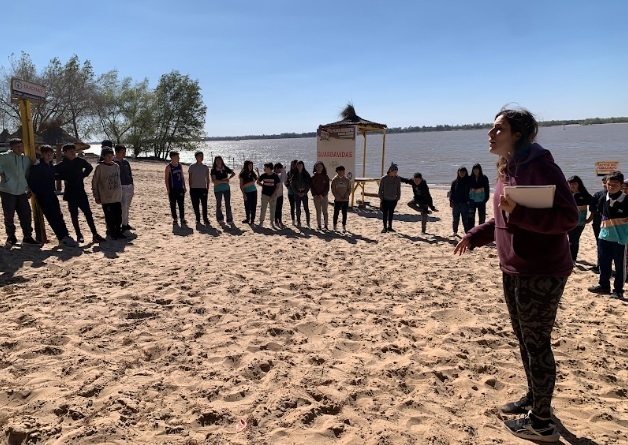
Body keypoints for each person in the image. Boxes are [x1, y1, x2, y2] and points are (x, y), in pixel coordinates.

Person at [454, 107, 578, 443]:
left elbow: (569, 218)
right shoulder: (509, 168)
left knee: (537, 345)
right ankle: (537, 399)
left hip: (541, 269)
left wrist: (519, 213)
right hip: (514, 267)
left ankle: (541, 423)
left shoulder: (540, 165)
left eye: (499, 129)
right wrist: (475, 235)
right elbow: (503, 218)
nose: (490, 134)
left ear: (518, 134)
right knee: (525, 341)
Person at [27, 145, 77, 247]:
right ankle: (62, 237)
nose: (49, 156)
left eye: (51, 154)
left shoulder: (51, 166)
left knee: (59, 215)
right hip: (43, 195)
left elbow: (55, 176)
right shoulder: (37, 167)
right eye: (47, 154)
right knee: (52, 217)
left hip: (51, 193)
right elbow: (31, 181)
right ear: (42, 154)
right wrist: (38, 192)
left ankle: (65, 235)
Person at [588, 171, 627, 300]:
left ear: (621, 185)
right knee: (604, 263)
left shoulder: (626, 200)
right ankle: (604, 286)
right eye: (609, 184)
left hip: (620, 239)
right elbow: (599, 212)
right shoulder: (602, 198)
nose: (611, 186)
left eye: (615, 184)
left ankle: (618, 290)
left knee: (620, 266)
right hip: (604, 237)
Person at [55, 143, 105, 243]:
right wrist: (63, 177)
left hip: (81, 192)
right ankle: (79, 235)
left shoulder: (80, 161)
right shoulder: (62, 164)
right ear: (65, 153)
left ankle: (94, 234)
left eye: (74, 151)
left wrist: (83, 175)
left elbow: (89, 168)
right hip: (70, 193)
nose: (73, 153)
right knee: (74, 215)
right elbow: (54, 173)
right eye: (70, 151)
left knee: (88, 213)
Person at [0, 138, 40, 247]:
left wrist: (28, 189)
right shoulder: (5, 157)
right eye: (17, 146)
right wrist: (2, 173)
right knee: (9, 215)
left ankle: (27, 236)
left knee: (26, 214)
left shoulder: (26, 159)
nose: (20, 148)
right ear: (11, 147)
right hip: (8, 191)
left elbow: (28, 174)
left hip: (22, 191)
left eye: (21, 146)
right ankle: (11, 237)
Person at [92, 147, 125, 240]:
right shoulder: (100, 167)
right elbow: (95, 182)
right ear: (104, 157)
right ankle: (112, 232)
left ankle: (118, 232)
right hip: (106, 197)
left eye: (111, 156)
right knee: (109, 217)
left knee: (118, 216)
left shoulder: (116, 166)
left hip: (117, 196)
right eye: (108, 156)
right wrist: (96, 195)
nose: (110, 158)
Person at [567, 175, 594, 263]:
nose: (572, 186)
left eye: (574, 183)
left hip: (579, 223)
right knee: (563, 241)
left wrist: (589, 219)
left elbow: (594, 207)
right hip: (565, 222)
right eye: (570, 184)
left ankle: (573, 259)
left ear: (579, 184)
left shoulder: (584, 195)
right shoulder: (566, 193)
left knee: (573, 241)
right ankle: (566, 257)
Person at [114, 144, 135, 232]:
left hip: (129, 186)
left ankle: (125, 224)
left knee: (127, 206)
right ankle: (121, 224)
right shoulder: (114, 162)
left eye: (124, 152)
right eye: (122, 152)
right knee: (123, 206)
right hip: (120, 187)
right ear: (117, 152)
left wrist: (132, 184)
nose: (124, 154)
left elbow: (129, 173)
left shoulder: (126, 162)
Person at [589, 177, 607, 273]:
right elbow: (592, 208)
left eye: (606, 182)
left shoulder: (621, 196)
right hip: (598, 224)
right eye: (603, 182)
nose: (605, 184)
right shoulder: (598, 195)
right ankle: (599, 265)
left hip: (613, 225)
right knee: (599, 244)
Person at [211, 156, 235, 225]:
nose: (218, 162)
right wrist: (224, 181)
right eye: (217, 160)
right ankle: (220, 218)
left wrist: (229, 179)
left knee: (228, 204)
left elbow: (233, 173)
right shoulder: (213, 170)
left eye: (219, 160)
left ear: (222, 161)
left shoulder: (225, 168)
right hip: (218, 189)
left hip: (226, 188)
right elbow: (214, 181)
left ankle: (229, 219)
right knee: (219, 204)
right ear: (215, 162)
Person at [188, 151, 210, 226]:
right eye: (200, 156)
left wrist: (207, 188)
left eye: (202, 156)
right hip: (194, 188)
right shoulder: (192, 167)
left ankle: (205, 218)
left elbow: (207, 179)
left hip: (203, 188)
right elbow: (190, 178)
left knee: (204, 205)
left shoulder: (205, 167)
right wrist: (190, 188)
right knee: (195, 204)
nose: (202, 157)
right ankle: (198, 218)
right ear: (196, 157)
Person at [378, 162, 401, 233]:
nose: (396, 173)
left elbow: (398, 189)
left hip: (393, 199)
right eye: (395, 172)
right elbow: (380, 190)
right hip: (385, 199)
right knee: (385, 214)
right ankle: (384, 227)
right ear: (390, 171)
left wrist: (398, 197)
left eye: (396, 172)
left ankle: (390, 227)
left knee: (391, 213)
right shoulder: (384, 179)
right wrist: (381, 198)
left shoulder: (397, 179)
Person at [257, 162, 281, 228]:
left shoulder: (275, 176)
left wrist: (274, 194)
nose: (264, 169)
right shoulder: (264, 175)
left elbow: (278, 185)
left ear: (269, 168)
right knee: (263, 209)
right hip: (265, 194)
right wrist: (263, 186)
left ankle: (271, 222)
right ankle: (261, 222)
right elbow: (258, 182)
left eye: (265, 167)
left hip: (273, 195)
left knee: (272, 209)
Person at [165, 151, 186, 225]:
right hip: (173, 188)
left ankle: (182, 218)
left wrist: (184, 186)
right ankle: (175, 218)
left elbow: (182, 177)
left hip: (180, 188)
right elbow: (166, 179)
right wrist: (168, 189)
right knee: (173, 204)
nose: (178, 158)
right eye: (177, 157)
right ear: (172, 157)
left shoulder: (180, 165)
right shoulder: (169, 167)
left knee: (181, 204)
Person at [449, 166, 472, 236]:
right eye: (460, 172)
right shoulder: (454, 182)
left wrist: (469, 201)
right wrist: (451, 201)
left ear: (466, 173)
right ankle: (455, 232)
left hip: (465, 203)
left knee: (465, 219)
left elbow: (471, 192)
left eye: (463, 172)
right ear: (458, 173)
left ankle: (467, 232)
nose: (462, 173)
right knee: (455, 218)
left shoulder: (468, 181)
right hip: (456, 203)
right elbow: (451, 192)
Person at [468, 163, 490, 229]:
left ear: (480, 169)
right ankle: (471, 231)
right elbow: (467, 189)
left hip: (481, 200)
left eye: (477, 169)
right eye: (474, 169)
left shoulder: (484, 178)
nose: (475, 170)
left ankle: (481, 231)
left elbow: (487, 189)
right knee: (471, 217)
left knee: (482, 217)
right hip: (472, 200)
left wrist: (485, 199)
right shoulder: (470, 178)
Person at [290, 160, 311, 227]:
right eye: (298, 165)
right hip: (297, 193)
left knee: (306, 208)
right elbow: (292, 184)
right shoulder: (294, 174)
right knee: (298, 208)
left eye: (301, 165)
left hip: (304, 193)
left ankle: (308, 223)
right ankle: (299, 222)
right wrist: (297, 192)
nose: (299, 167)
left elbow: (309, 184)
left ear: (303, 166)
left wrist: (305, 192)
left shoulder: (306, 174)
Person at [311, 161, 330, 230]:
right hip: (316, 197)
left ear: (322, 168)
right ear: (315, 168)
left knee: (325, 211)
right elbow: (312, 187)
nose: (319, 168)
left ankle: (326, 225)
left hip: (324, 197)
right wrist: (315, 195)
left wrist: (322, 195)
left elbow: (327, 188)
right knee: (318, 211)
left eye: (320, 167)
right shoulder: (313, 177)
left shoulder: (325, 177)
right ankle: (319, 225)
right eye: (317, 167)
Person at [331, 166, 351, 232]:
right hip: (338, 199)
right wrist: (338, 197)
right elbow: (333, 190)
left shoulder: (347, 180)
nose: (343, 172)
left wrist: (346, 196)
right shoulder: (334, 180)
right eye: (341, 171)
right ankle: (334, 225)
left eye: (343, 171)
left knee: (344, 213)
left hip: (345, 199)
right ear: (338, 172)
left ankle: (344, 226)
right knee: (336, 213)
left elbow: (349, 189)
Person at [238, 160, 258, 224]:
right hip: (247, 192)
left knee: (253, 206)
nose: (251, 167)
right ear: (246, 166)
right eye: (249, 165)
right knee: (247, 206)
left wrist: (258, 172)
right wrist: (244, 194)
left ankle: (252, 220)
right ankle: (247, 218)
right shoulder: (243, 174)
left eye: (251, 166)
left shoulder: (252, 173)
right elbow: (241, 186)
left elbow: (257, 179)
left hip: (254, 191)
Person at [274, 162, 286, 228]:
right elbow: (281, 181)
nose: (280, 171)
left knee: (280, 208)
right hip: (275, 194)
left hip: (280, 194)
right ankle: (276, 221)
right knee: (276, 209)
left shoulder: (279, 175)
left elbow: (284, 179)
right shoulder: (274, 175)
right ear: (276, 168)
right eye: (279, 169)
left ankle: (280, 221)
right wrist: (283, 170)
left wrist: (283, 171)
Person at [286, 160, 298, 225]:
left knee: (298, 207)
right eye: (292, 165)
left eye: (295, 165)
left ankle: (298, 220)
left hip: (298, 192)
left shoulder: (299, 173)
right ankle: (293, 220)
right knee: (292, 206)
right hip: (290, 192)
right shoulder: (289, 173)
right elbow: (286, 181)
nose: (293, 166)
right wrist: (287, 186)